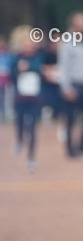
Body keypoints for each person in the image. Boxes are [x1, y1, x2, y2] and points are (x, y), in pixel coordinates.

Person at [58, 11, 83, 158]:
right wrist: (66, 88)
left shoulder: (82, 42)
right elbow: (64, 67)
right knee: (70, 119)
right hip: (73, 84)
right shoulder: (68, 42)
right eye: (82, 22)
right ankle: (70, 150)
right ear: (74, 24)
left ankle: (81, 146)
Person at [9, 26, 47, 172]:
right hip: (20, 98)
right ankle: (19, 140)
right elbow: (11, 77)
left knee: (32, 129)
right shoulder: (16, 59)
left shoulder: (38, 57)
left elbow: (40, 69)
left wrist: (29, 67)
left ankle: (31, 158)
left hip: (35, 98)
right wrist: (18, 70)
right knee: (19, 123)